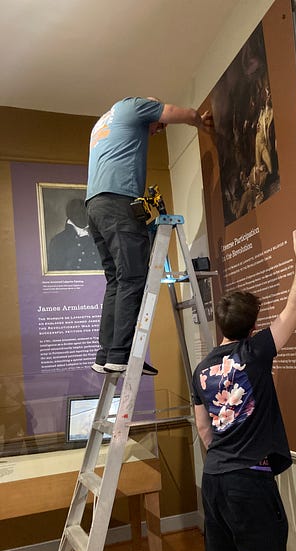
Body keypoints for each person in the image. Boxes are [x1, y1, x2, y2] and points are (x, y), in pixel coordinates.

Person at [192, 223, 296, 551]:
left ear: (222, 326)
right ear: (251, 324)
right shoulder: (256, 352)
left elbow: (204, 431)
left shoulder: (201, 368)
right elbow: (295, 308)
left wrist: (225, 453)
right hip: (249, 480)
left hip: (214, 479)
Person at [86, 96, 213, 375]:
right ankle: (120, 355)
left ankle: (106, 353)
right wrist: (198, 120)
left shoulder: (103, 122)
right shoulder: (134, 105)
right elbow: (172, 111)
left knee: (117, 281)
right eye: (159, 126)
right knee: (132, 278)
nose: (157, 131)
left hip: (95, 207)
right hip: (119, 203)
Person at [48, 198, 100, 272]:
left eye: (84, 212)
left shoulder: (98, 237)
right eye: (77, 213)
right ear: (70, 216)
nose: (81, 216)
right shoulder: (58, 241)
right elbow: (55, 272)